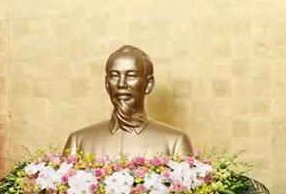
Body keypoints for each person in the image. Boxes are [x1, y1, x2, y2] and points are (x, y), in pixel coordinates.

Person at [64, 44, 193, 158]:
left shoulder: (174, 143)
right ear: (107, 84)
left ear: (148, 84)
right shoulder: (79, 141)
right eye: (114, 76)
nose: (121, 84)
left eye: (131, 76)